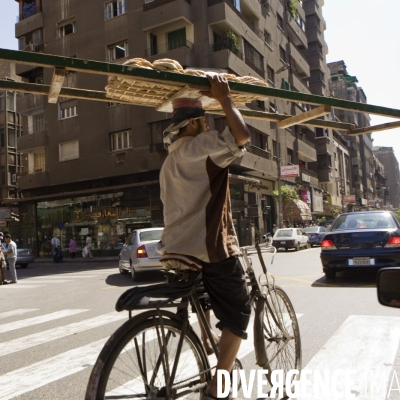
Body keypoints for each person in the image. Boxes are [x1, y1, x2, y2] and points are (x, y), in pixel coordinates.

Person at [156, 74, 251, 400]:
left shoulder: (170, 160)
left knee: (205, 298)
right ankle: (217, 384)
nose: (210, 127)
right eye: (206, 121)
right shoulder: (201, 147)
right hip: (208, 247)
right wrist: (225, 99)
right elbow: (241, 137)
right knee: (239, 310)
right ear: (195, 123)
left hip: (174, 250)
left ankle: (208, 341)